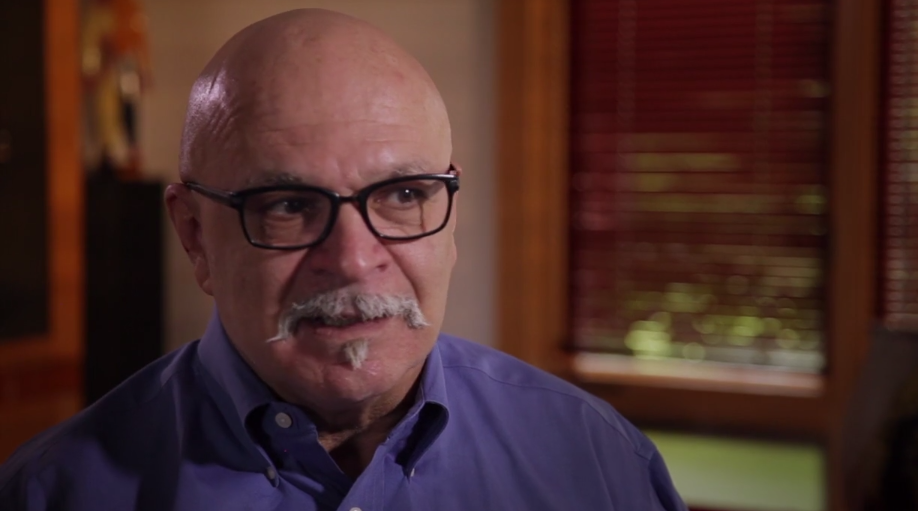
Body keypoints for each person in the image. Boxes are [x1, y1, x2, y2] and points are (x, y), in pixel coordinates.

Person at [0, 9, 686, 511]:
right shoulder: (53, 492)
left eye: (405, 194)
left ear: (449, 216)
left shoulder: (599, 458)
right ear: (195, 235)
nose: (355, 261)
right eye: (289, 205)